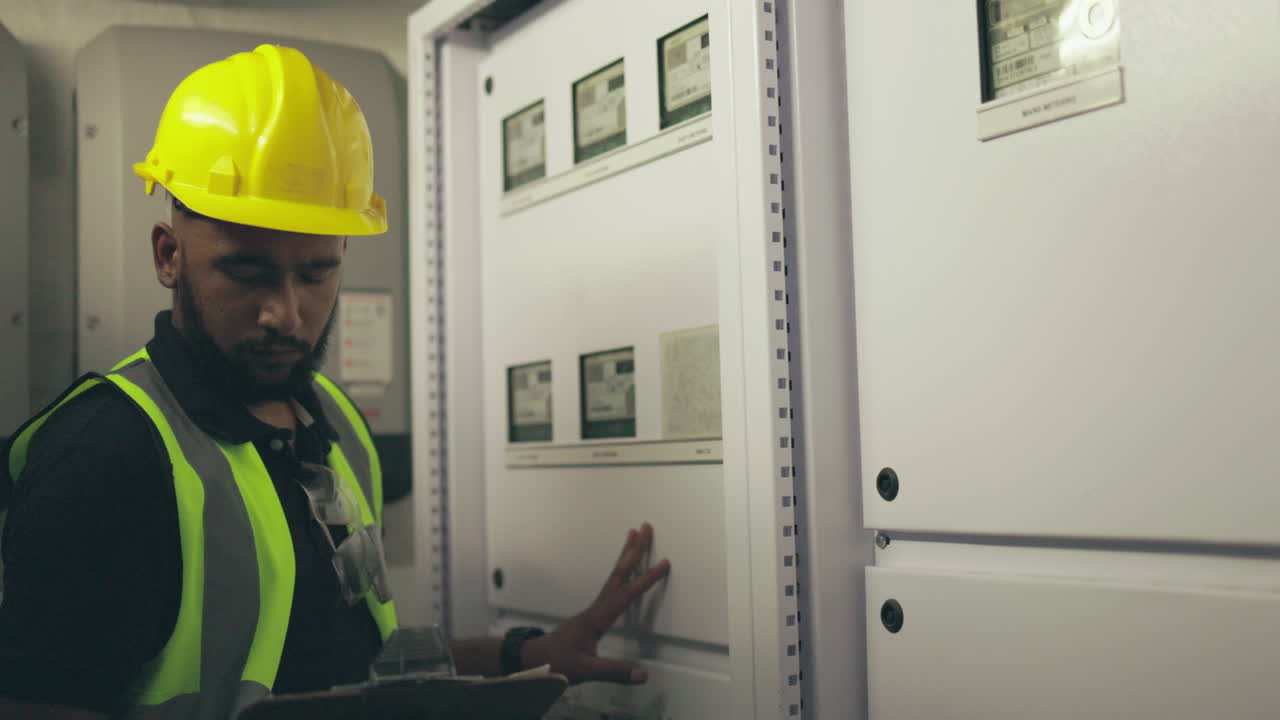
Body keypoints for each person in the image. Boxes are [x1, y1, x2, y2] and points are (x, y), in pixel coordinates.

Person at [0, 44, 671, 719]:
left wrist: (523, 656)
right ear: (168, 256)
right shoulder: (103, 453)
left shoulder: (338, 427)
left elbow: (354, 658)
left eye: (317, 273)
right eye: (249, 272)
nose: (287, 314)